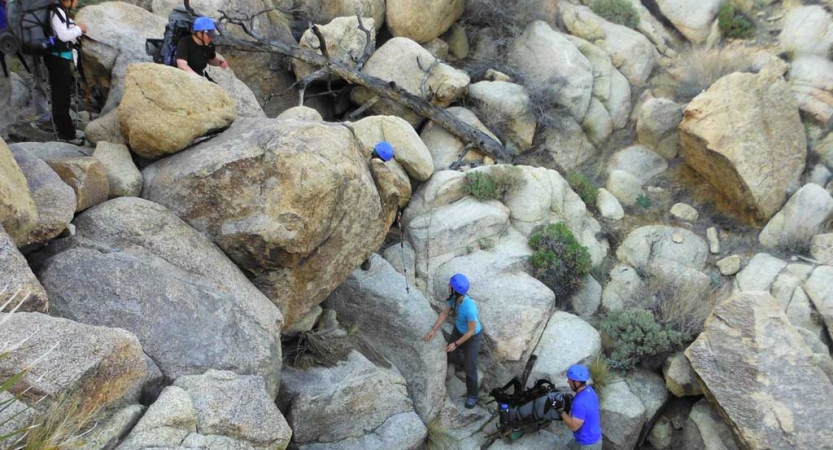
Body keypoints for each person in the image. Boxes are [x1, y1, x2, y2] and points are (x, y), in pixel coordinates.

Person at [424, 273, 483, 409]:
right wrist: (433, 330)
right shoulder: (453, 299)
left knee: (470, 368)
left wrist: (456, 343)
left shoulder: (470, 308)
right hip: (459, 330)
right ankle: (462, 362)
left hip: (472, 336)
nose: (448, 286)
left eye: (450, 285)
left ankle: (473, 395)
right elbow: (444, 313)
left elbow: (470, 331)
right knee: (451, 353)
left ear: (455, 290)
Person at [44, 0, 86, 145]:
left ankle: (65, 131)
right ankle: (66, 134)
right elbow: (63, 35)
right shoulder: (57, 11)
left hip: (57, 57)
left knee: (61, 96)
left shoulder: (58, 11)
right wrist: (79, 29)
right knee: (61, 98)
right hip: (58, 58)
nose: (77, 2)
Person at [559, 365, 602, 450]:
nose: (568, 382)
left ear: (577, 383)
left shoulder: (580, 402)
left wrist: (561, 411)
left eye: (570, 380)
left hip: (587, 444)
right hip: (594, 437)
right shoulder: (590, 391)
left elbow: (574, 426)